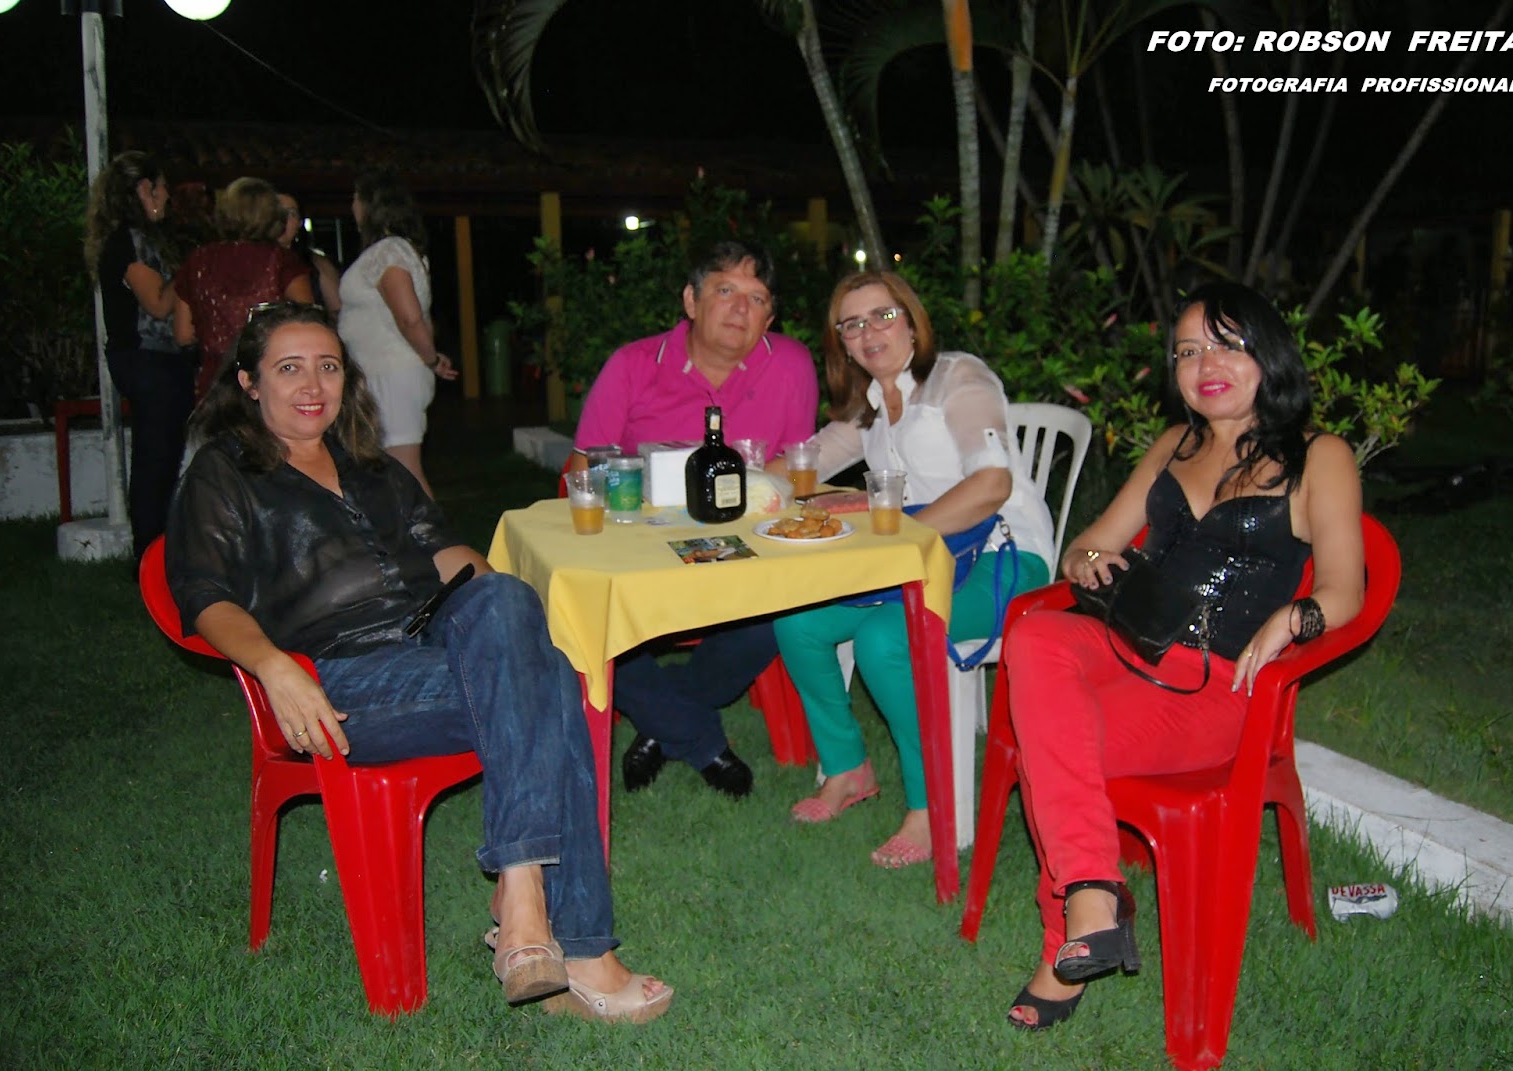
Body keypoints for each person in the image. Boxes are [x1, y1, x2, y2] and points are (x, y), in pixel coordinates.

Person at [164, 302, 671, 1023]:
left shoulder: (372, 467)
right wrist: (274, 666)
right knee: (551, 681)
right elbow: (203, 596)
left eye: (328, 366)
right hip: (338, 678)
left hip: (432, 643)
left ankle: (523, 900)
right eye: (289, 367)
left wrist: (514, 622)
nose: (313, 384)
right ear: (248, 382)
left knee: (505, 599)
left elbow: (449, 555)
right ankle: (574, 938)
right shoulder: (225, 472)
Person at [1001, 281, 1363, 1030]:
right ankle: (1096, 889)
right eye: (1189, 351)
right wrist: (1089, 562)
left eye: (1227, 346)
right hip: (1127, 643)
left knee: (1054, 747)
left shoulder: (1319, 456)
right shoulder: (1176, 445)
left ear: (1269, 355)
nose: (1206, 365)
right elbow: (1087, 543)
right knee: (1034, 636)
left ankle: (1071, 932)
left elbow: (1347, 589)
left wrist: (1297, 616)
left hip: (1218, 687)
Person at [767, 271, 1057, 868]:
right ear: (843, 344)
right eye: (852, 324)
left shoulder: (958, 378)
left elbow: (992, 484)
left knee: (886, 637)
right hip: (919, 561)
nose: (869, 332)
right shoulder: (871, 408)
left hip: (1003, 560)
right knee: (798, 622)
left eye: (883, 315)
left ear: (912, 321)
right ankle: (848, 768)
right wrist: (730, 484)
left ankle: (931, 807)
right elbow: (803, 463)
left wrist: (897, 532)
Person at [570, 240, 819, 799]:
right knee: (589, 621)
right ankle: (700, 739)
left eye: (757, 299)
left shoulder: (791, 365)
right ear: (691, 300)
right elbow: (584, 468)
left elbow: (795, 466)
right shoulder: (633, 365)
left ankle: (660, 723)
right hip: (640, 556)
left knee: (783, 612)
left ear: (769, 319)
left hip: (745, 553)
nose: (740, 308)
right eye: (725, 290)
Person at [84, 150, 194, 565]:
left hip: (158, 359)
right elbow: (159, 304)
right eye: (161, 188)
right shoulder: (128, 241)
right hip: (147, 359)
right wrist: (190, 269)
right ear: (144, 189)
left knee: (162, 457)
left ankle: (157, 550)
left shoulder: (141, 238)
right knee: (155, 459)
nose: (167, 197)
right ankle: (149, 554)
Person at [337, 166, 456, 498]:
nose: (352, 206)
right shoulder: (392, 250)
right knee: (387, 474)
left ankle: (431, 533)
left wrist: (430, 360)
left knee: (405, 471)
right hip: (382, 373)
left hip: (392, 376)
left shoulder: (389, 251)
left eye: (356, 198)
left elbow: (410, 318)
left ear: (371, 204)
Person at [174, 176, 314, 398]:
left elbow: (183, 334)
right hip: (270, 381)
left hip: (216, 382)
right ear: (272, 216)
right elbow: (308, 322)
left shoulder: (198, 261)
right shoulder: (282, 260)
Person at [276, 193, 342, 319]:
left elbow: (337, 312)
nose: (282, 219)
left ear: (299, 223)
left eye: (291, 214)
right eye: (277, 212)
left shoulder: (317, 262)